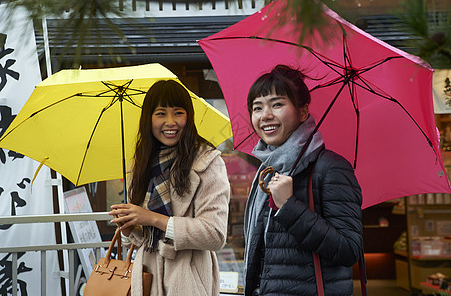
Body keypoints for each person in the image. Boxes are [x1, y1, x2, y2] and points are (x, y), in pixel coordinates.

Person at [243, 65, 363, 295]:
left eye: (277, 104)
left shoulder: (330, 168)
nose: (265, 115)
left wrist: (289, 206)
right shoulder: (265, 172)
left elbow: (349, 250)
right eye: (257, 108)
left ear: (303, 111)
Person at [109, 79, 230, 296]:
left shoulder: (207, 162)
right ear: (149, 119)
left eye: (178, 112)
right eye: (161, 113)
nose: (170, 122)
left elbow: (215, 234)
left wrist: (152, 218)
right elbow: (143, 240)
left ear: (188, 116)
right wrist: (129, 229)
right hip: (147, 281)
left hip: (189, 280)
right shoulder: (141, 164)